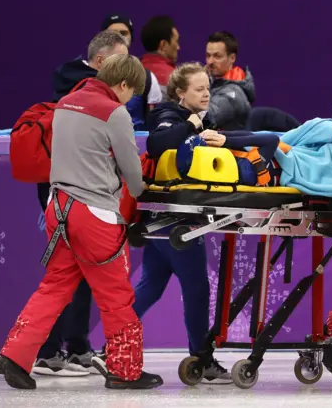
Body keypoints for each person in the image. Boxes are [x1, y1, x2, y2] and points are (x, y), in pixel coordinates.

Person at [0, 54, 163, 390]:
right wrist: (144, 188)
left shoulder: (66, 103)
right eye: (134, 94)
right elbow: (132, 173)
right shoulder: (115, 112)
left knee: (55, 285)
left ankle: (15, 354)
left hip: (59, 207)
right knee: (116, 294)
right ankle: (125, 370)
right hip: (95, 212)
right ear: (125, 84)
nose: (132, 102)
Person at [92, 63, 232, 383]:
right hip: (174, 219)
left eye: (208, 87)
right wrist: (193, 124)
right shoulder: (169, 115)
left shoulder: (203, 120)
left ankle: (109, 347)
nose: (207, 93)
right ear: (181, 92)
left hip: (169, 218)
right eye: (199, 88)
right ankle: (203, 358)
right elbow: (157, 144)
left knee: (151, 286)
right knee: (196, 288)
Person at [32, 30, 131, 378]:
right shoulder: (95, 97)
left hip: (58, 194)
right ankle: (64, 351)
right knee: (84, 278)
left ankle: (61, 348)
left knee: (65, 277)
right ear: (103, 62)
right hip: (84, 199)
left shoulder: (69, 89)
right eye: (123, 59)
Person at [101, 14, 163, 129]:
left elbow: (155, 122)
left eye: (124, 33)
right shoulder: (90, 75)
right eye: (112, 32)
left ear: (131, 38)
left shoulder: (147, 78)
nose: (118, 36)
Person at [206, 31, 255, 131]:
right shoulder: (211, 81)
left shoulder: (233, 93)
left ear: (232, 58)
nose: (210, 61)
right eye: (208, 55)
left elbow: (206, 118)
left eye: (217, 56)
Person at [141, 16, 179, 98]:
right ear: (163, 44)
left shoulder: (133, 70)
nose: (178, 47)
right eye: (176, 41)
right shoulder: (173, 77)